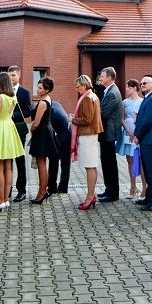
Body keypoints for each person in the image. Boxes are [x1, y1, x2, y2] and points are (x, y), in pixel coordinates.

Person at [0, 72, 25, 212]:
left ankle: (0, 200)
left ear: (1, 82)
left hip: (0, 130)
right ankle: (6, 200)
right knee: (8, 167)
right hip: (9, 129)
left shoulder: (0, 98)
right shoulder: (13, 97)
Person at [70, 75, 104, 211]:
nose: (77, 90)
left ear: (84, 85)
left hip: (88, 134)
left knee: (90, 166)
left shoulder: (87, 98)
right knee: (91, 166)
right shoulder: (92, 96)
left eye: (78, 87)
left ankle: (90, 197)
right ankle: (91, 195)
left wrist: (72, 119)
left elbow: (86, 119)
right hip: (91, 134)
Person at [130, 76, 152, 210]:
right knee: (147, 171)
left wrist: (138, 135)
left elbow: (147, 121)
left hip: (149, 139)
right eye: (141, 83)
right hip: (145, 139)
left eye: (145, 83)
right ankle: (149, 197)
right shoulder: (147, 98)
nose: (142, 85)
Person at [29, 77, 58, 203]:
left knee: (41, 163)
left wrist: (31, 130)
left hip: (42, 132)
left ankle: (42, 192)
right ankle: (42, 191)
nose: (37, 89)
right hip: (46, 130)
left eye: (40, 88)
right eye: (37, 86)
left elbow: (36, 123)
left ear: (46, 90)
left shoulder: (42, 103)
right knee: (42, 163)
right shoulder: (47, 100)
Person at [96, 67, 123, 203]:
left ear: (109, 78)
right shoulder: (109, 91)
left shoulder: (112, 93)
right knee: (107, 162)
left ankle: (112, 192)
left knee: (109, 163)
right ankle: (109, 189)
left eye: (102, 75)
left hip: (109, 133)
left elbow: (104, 114)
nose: (100, 78)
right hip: (106, 133)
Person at [7, 66, 33, 203]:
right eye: (9, 75)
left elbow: (28, 111)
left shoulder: (24, 92)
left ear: (19, 76)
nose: (11, 78)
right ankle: (7, 190)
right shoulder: (4, 91)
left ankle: (21, 190)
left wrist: (13, 114)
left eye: (13, 75)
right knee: (7, 160)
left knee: (19, 160)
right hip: (6, 130)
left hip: (18, 129)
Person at [120, 79, 143, 199]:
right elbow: (122, 118)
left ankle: (142, 185)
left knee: (137, 157)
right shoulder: (125, 102)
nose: (126, 89)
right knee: (129, 158)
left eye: (128, 87)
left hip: (137, 130)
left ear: (134, 88)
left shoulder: (142, 101)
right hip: (127, 130)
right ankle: (132, 185)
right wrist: (128, 130)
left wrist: (136, 131)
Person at [47, 94, 72, 195]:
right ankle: (63, 187)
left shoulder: (50, 110)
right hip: (68, 133)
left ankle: (52, 186)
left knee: (54, 159)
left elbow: (49, 129)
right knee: (65, 162)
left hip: (62, 136)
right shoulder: (56, 104)